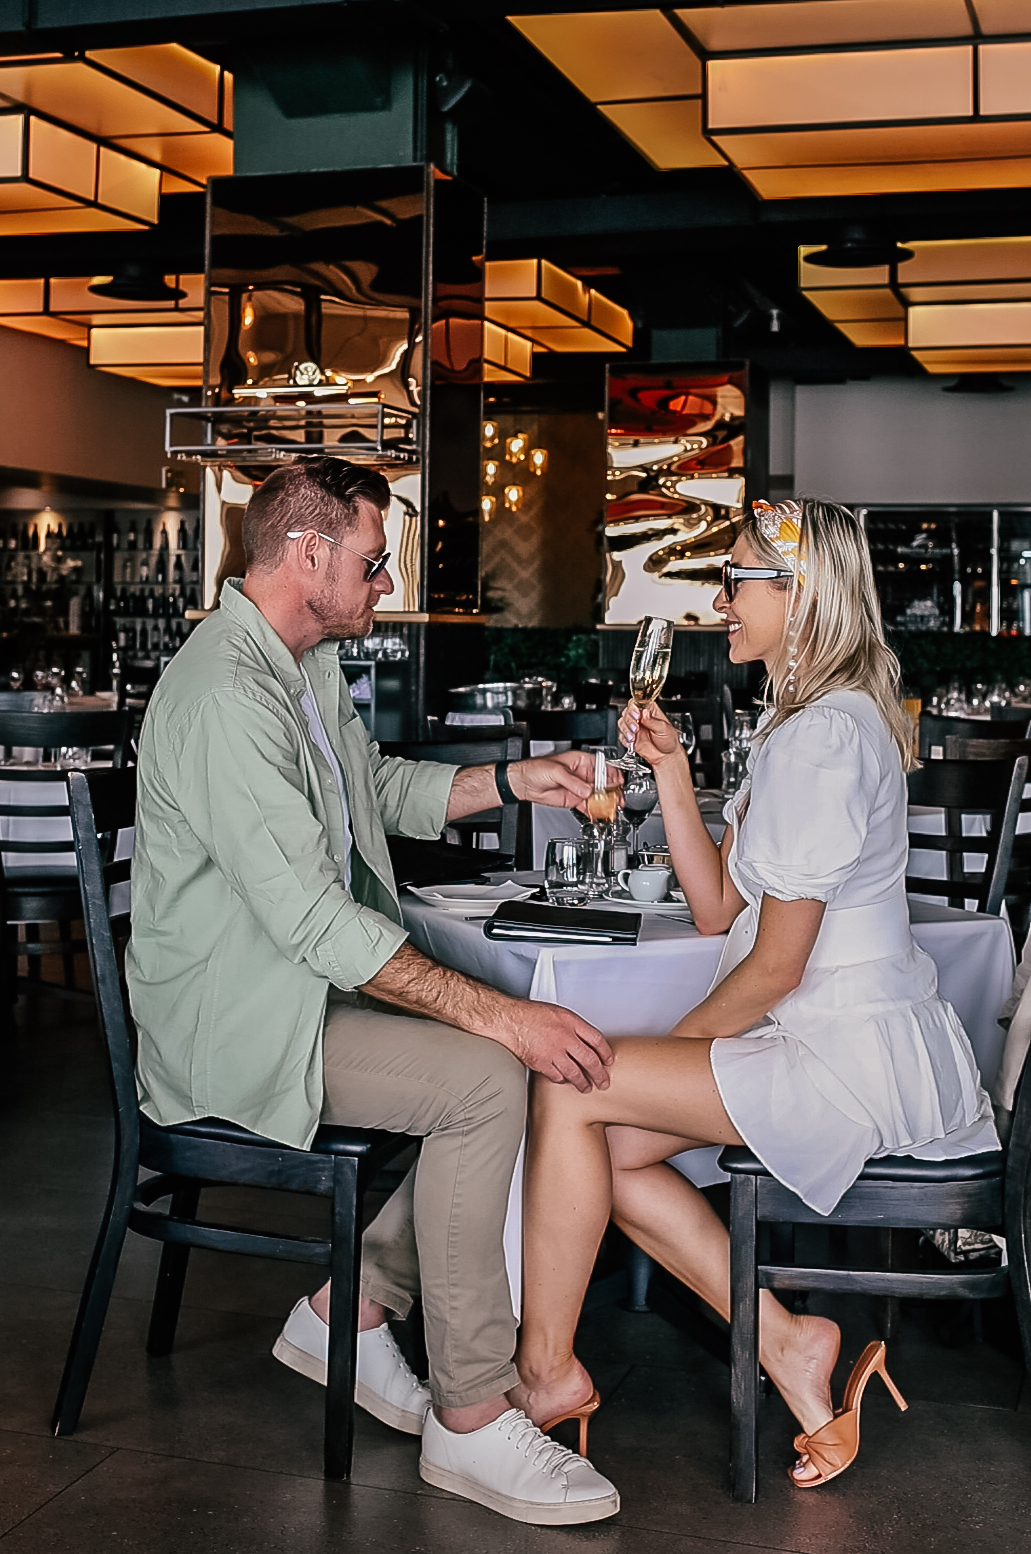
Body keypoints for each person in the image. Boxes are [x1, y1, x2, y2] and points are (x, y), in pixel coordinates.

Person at [128, 456, 620, 1526]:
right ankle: (472, 1416)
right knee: (493, 1076)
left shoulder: (297, 663)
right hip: (235, 1020)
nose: (384, 581)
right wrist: (503, 1014)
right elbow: (309, 919)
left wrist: (511, 780)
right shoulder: (224, 692)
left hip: (295, 991)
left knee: (512, 1073)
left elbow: (377, 791)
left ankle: (342, 1317)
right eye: (369, 559)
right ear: (306, 555)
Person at [509, 499, 998, 1491]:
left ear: (802, 597)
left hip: (844, 1054)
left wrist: (661, 1063)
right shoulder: (799, 723)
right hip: (821, 1037)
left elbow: (773, 965)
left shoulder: (822, 737)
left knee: (574, 1089)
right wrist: (675, 777)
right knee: (600, 1138)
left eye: (737, 579)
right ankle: (786, 1345)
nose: (720, 599)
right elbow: (715, 908)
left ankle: (543, 1376)